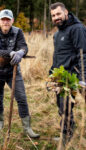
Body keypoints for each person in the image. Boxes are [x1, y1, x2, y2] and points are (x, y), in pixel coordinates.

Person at [0, 9, 40, 138]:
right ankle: (0, 122)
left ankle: (27, 128)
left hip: (13, 71)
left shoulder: (18, 32)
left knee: (21, 98)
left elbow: (23, 46)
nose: (5, 22)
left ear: (12, 21)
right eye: (3, 19)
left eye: (8, 19)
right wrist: (10, 53)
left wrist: (21, 52)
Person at [48, 2, 86, 144]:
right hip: (62, 79)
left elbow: (84, 54)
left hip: (76, 76)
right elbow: (58, 56)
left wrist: (83, 79)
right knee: (63, 109)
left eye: (58, 14)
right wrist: (52, 74)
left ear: (66, 12)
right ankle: (68, 136)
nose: (56, 17)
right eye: (53, 15)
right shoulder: (58, 34)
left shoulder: (77, 29)